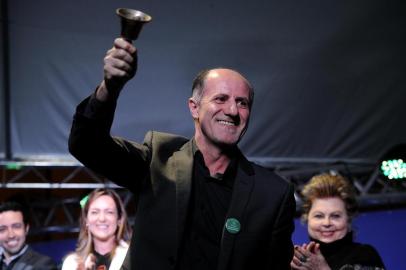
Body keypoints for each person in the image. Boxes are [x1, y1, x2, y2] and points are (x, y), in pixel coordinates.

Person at [68, 37, 296, 270]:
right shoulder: (158, 159)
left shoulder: (273, 194)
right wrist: (110, 88)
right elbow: (86, 145)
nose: (232, 110)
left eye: (242, 103)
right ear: (194, 107)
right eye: (221, 98)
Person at [291, 173, 386, 270]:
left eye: (335, 216)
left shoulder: (366, 255)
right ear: (307, 218)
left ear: (348, 219)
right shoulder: (298, 260)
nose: (327, 223)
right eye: (319, 216)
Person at [62, 188, 132, 270]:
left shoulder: (132, 256)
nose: (102, 218)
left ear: (119, 220)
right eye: (95, 212)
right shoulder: (71, 264)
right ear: (86, 221)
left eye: (109, 212)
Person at [0, 201, 57, 270]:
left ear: (26, 229)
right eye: (2, 229)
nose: (11, 235)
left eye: (16, 227)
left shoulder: (43, 264)